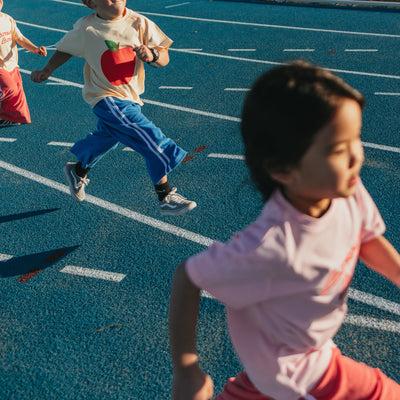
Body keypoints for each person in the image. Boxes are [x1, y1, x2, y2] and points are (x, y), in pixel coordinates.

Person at [169, 60, 400, 399]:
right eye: (338, 149)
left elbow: (366, 238)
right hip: (300, 375)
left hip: (281, 359)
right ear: (283, 169)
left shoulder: (345, 191)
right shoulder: (270, 248)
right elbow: (188, 276)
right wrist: (187, 369)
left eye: (356, 140)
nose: (356, 157)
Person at [30, 0, 196, 216]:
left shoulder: (139, 23)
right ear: (91, 3)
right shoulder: (86, 27)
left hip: (130, 97)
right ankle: (165, 196)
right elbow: (65, 49)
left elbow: (164, 56)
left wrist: (153, 55)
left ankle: (77, 170)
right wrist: (47, 70)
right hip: (105, 97)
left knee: (108, 137)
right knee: (148, 136)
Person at [0, 0, 47, 127]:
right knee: (9, 89)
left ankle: (10, 118)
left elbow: (20, 38)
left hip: (11, 64)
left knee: (17, 94)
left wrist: (35, 49)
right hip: (0, 68)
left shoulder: (8, 20)